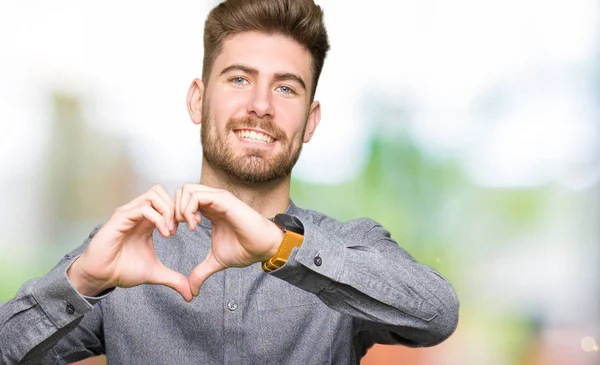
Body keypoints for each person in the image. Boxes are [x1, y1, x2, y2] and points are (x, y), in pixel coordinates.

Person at [0, 0, 459, 364]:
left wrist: (285, 248)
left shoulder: (347, 246)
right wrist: (81, 280)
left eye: (285, 88)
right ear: (198, 101)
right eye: (239, 79)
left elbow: (438, 314)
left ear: (311, 120)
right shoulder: (122, 251)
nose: (260, 105)